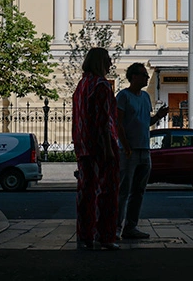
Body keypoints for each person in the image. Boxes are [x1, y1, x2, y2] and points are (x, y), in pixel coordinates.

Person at [72, 47, 120, 250]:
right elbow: (103, 121)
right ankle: (106, 236)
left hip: (84, 146)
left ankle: (85, 235)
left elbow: (77, 118)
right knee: (107, 192)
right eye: (108, 60)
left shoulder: (82, 85)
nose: (110, 64)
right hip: (101, 147)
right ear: (100, 62)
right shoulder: (101, 86)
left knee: (86, 191)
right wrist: (109, 148)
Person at [115, 62, 169, 240]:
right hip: (128, 151)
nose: (147, 78)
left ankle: (131, 227)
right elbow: (118, 123)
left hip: (144, 150)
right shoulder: (123, 96)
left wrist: (158, 117)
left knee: (139, 191)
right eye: (144, 75)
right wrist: (126, 146)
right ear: (134, 76)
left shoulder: (145, 97)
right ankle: (115, 228)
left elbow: (146, 122)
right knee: (124, 191)